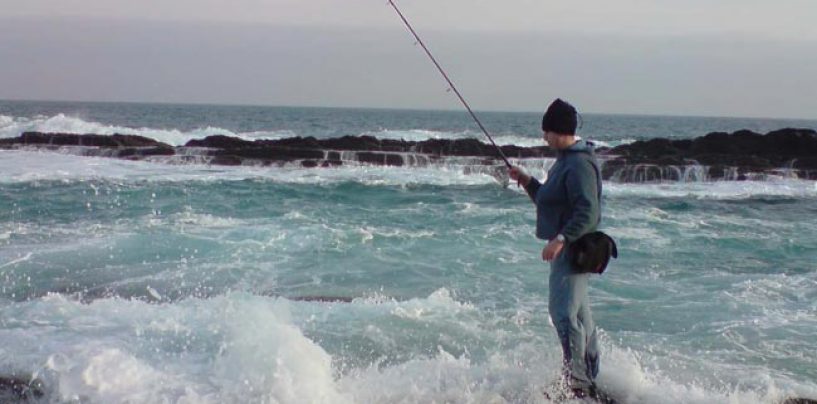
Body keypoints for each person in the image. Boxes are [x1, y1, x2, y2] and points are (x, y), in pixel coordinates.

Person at [509, 98, 603, 398]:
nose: (544, 137)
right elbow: (551, 200)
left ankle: (577, 384)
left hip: (573, 251)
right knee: (580, 316)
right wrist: (527, 181)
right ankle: (586, 378)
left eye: (547, 131)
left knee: (565, 315)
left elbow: (588, 211)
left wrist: (561, 239)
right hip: (569, 250)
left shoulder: (578, 163)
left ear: (560, 130)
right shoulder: (565, 160)